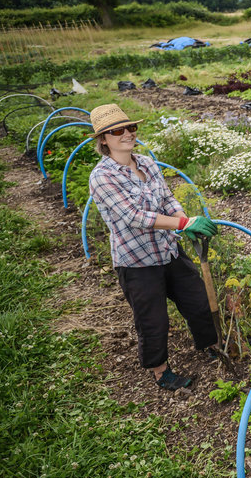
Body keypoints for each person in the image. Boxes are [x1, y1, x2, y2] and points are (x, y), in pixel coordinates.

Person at [88, 104, 221, 391]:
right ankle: (161, 372)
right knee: (153, 320)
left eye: (131, 128)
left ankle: (210, 344)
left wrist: (184, 218)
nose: (127, 134)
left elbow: (167, 199)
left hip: (168, 250)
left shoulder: (147, 163)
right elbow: (134, 217)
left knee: (197, 300)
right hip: (136, 262)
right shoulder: (102, 177)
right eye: (117, 131)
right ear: (103, 139)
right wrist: (182, 225)